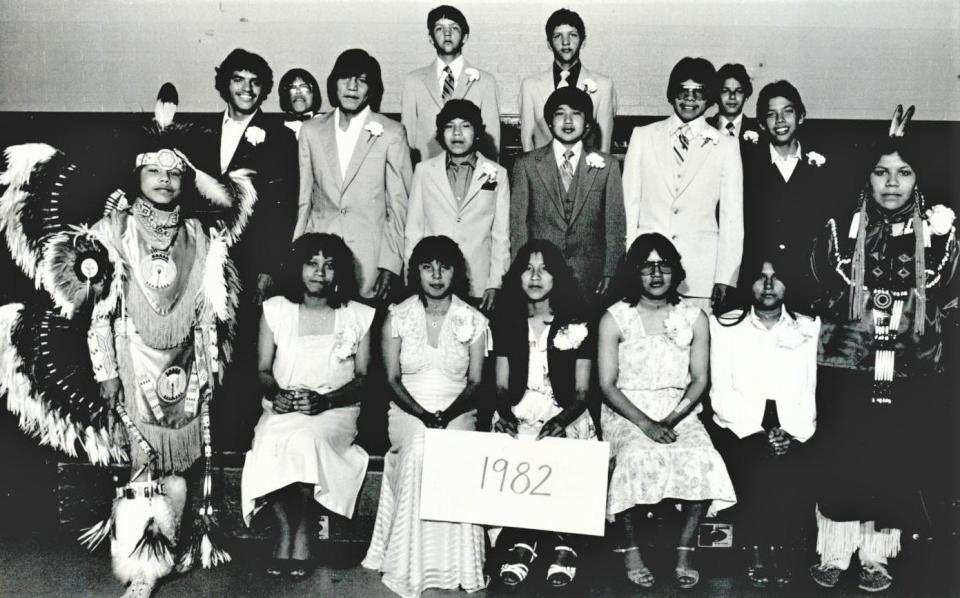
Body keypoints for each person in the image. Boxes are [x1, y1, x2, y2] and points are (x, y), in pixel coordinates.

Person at [0, 88, 256, 596]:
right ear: (137, 177)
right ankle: (141, 570)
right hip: (131, 358)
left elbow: (209, 308)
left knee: (182, 464)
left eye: (174, 173)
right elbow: (99, 312)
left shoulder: (199, 236)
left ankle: (173, 546)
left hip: (185, 364)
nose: (164, 181)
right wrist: (106, 372)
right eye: (154, 172)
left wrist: (206, 365)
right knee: (143, 465)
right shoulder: (110, 231)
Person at [807, 124, 958, 593]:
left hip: (910, 364)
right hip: (848, 361)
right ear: (866, 179)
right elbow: (822, 286)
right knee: (844, 450)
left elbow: (946, 295)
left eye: (904, 172)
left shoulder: (942, 237)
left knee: (893, 454)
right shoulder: (838, 230)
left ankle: (875, 555)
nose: (892, 182)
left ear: (918, 180)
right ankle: (834, 550)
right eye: (881, 172)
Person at [598, 233, 736, 590]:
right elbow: (608, 385)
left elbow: (700, 379)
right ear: (635, 272)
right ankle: (630, 550)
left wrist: (672, 420)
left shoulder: (693, 316)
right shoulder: (615, 317)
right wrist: (645, 424)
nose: (656, 274)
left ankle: (684, 551)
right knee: (633, 456)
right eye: (647, 266)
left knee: (703, 456)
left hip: (679, 409)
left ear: (676, 271)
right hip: (627, 410)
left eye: (664, 265)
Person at [240, 233, 374, 579]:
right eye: (312, 264)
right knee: (270, 441)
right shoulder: (276, 310)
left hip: (335, 411)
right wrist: (279, 395)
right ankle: (286, 531)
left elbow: (363, 378)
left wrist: (326, 400)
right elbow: (263, 371)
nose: (320, 272)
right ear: (298, 268)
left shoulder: (358, 315)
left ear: (339, 273)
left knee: (307, 441)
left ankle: (302, 536)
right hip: (283, 408)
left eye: (329, 266)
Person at [362, 236, 489, 598]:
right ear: (415, 271)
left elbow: (477, 381)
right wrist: (422, 414)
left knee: (452, 449)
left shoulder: (473, 319)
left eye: (444, 266)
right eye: (427, 266)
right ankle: (411, 565)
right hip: (408, 409)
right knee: (419, 448)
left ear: (456, 272)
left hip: (458, 409)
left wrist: (447, 414)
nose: (436, 275)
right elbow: (391, 379)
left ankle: (456, 564)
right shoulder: (398, 316)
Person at [490, 239, 596, 589]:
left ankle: (565, 541)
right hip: (520, 405)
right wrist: (504, 413)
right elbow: (502, 387)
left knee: (559, 444)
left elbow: (581, 393)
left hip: (565, 409)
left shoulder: (577, 321)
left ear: (557, 277)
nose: (535, 276)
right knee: (515, 440)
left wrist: (561, 420)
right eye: (528, 268)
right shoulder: (507, 320)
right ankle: (524, 540)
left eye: (544, 269)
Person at [709, 257, 820, 588]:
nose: (768, 285)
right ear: (748, 284)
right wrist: (756, 431)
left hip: (793, 424)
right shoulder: (725, 324)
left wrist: (792, 432)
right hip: (739, 424)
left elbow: (811, 387)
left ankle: (781, 547)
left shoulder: (807, 326)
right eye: (760, 277)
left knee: (790, 468)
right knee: (753, 463)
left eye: (776, 277)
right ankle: (756, 548)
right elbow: (720, 390)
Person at [622, 57, 743, 314]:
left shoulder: (726, 146)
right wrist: (628, 265)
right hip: (648, 268)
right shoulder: (643, 136)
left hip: (701, 276)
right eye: (683, 91)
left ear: (709, 98)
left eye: (698, 92)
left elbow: (732, 218)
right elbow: (628, 209)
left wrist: (725, 277)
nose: (689, 99)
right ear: (671, 94)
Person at [294, 49, 413, 302]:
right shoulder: (311, 131)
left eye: (362, 80)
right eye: (346, 78)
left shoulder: (392, 133)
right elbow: (304, 202)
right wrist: (297, 254)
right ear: (333, 83)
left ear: (372, 89)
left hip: (370, 264)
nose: (352, 86)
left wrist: (391, 264)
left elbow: (399, 208)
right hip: (320, 263)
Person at [510, 86, 625, 314]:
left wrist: (610, 271)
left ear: (588, 123)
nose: (568, 120)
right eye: (560, 113)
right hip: (540, 277)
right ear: (549, 122)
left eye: (577, 113)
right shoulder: (526, 165)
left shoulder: (607, 166)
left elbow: (614, 225)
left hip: (589, 277)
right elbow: (518, 227)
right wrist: (520, 271)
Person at [404, 99, 509, 312]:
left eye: (466, 126)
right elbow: (413, 230)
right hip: (434, 280)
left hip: (478, 284)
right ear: (441, 133)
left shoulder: (497, 173)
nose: (457, 133)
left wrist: (495, 283)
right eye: (450, 126)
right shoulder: (424, 171)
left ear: (477, 132)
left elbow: (501, 234)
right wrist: (413, 279)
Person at [740, 80, 832, 311]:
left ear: (801, 116)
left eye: (787, 112)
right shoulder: (746, 165)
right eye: (772, 115)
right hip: (761, 285)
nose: (780, 121)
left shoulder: (821, 166)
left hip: (809, 285)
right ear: (761, 123)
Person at [401, 5, 501, 162]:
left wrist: (488, 180)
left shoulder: (485, 81)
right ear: (430, 38)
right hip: (427, 173)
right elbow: (407, 139)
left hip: (470, 173)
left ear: (465, 37)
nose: (447, 33)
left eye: (454, 28)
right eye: (439, 29)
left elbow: (491, 141)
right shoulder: (413, 81)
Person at [519, 8, 617, 153]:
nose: (565, 42)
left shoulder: (603, 85)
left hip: (587, 172)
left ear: (583, 41)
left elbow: (605, 144)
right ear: (548, 43)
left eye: (572, 35)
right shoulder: (530, 86)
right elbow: (527, 141)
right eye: (558, 36)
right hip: (543, 172)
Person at [706, 63, 758, 142]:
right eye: (725, 91)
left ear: (746, 96)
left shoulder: (759, 128)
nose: (732, 97)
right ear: (716, 94)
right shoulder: (705, 126)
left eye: (739, 91)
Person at [278, 67, 322, 139]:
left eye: (304, 86)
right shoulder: (274, 128)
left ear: (314, 94)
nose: (298, 91)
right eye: (292, 87)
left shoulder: (327, 124)